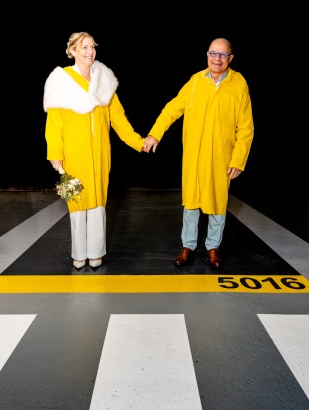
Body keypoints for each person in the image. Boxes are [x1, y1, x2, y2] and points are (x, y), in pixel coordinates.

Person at [143, 37, 254, 268]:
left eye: (223, 55)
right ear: (207, 55)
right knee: (192, 201)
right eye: (214, 53)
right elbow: (173, 107)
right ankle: (188, 246)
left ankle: (213, 247)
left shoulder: (238, 84)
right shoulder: (195, 81)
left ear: (230, 59)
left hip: (221, 156)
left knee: (218, 202)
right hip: (195, 154)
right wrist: (155, 133)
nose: (217, 58)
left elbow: (246, 126)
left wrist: (239, 159)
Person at [43, 31, 145, 269]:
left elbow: (118, 119)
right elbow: (54, 123)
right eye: (84, 47)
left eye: (92, 47)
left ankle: (96, 252)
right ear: (73, 51)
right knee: (77, 202)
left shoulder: (104, 80)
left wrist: (137, 142)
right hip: (74, 153)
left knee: (98, 201)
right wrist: (55, 154)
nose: (90, 52)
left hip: (100, 153)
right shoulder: (61, 80)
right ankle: (79, 253)